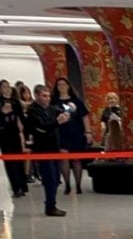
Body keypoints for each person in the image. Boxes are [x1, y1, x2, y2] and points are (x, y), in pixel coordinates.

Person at [24, 84, 67, 216]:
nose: (47, 98)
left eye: (48, 96)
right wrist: (57, 122)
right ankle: (50, 206)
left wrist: (68, 111)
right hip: (43, 149)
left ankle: (51, 203)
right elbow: (42, 127)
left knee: (55, 179)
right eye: (44, 96)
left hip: (54, 148)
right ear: (37, 96)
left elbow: (63, 111)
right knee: (50, 179)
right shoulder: (33, 111)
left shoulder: (51, 108)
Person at [51, 77, 92, 195]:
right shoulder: (54, 102)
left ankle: (78, 185)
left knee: (76, 159)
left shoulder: (76, 100)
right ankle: (67, 184)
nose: (62, 87)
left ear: (68, 86)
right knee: (63, 158)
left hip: (76, 132)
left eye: (64, 84)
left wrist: (88, 132)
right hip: (61, 133)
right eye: (59, 85)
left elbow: (84, 116)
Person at [0, 80, 28, 197]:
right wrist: (4, 112)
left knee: (19, 159)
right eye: (4, 87)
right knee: (10, 161)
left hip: (15, 133)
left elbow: (21, 117)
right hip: (3, 134)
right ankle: (16, 187)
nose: (7, 89)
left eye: (8, 86)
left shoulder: (15, 102)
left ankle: (23, 185)